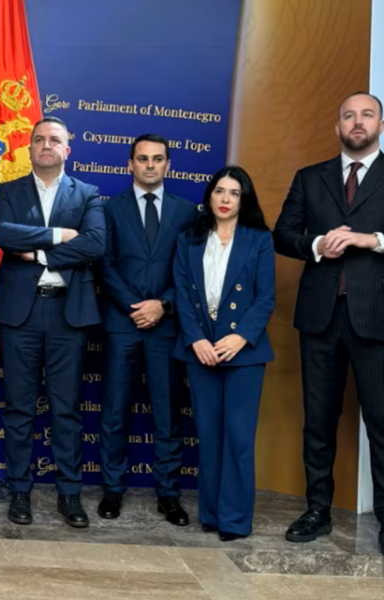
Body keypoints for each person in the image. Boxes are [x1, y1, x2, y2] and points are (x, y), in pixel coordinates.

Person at [274, 91, 384, 555]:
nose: (357, 122)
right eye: (348, 116)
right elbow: (283, 235)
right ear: (337, 126)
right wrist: (318, 244)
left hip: (376, 317)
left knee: (381, 422)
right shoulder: (310, 177)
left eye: (367, 115)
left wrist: (372, 239)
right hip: (320, 318)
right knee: (318, 422)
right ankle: (317, 510)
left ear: (379, 124)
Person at [0, 117, 105, 527]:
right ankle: (19, 491)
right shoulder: (7, 191)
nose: (46, 145)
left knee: (66, 409)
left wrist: (38, 253)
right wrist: (61, 236)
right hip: (20, 314)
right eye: (38, 139)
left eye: (54, 140)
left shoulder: (88, 194)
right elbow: (5, 234)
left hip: (66, 314)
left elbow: (95, 243)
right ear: (30, 149)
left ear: (67, 149)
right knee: (19, 408)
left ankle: (69, 494)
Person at [98, 134, 196, 525]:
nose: (150, 165)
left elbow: (190, 270)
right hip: (122, 324)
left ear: (168, 165)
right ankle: (112, 489)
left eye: (157, 159)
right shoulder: (109, 208)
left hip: (166, 325)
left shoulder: (186, 211)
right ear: (130, 164)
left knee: (167, 414)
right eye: (143, 159)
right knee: (114, 412)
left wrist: (162, 305)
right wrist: (134, 307)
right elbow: (104, 264)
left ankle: (169, 495)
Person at [173, 166, 274, 541]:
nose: (226, 199)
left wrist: (240, 337)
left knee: (238, 437)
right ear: (209, 196)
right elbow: (181, 295)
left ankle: (234, 519)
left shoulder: (259, 239)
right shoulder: (189, 239)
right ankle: (212, 514)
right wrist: (196, 339)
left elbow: (266, 298)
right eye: (219, 191)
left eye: (234, 193)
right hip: (201, 350)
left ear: (243, 200)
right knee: (209, 435)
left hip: (243, 353)